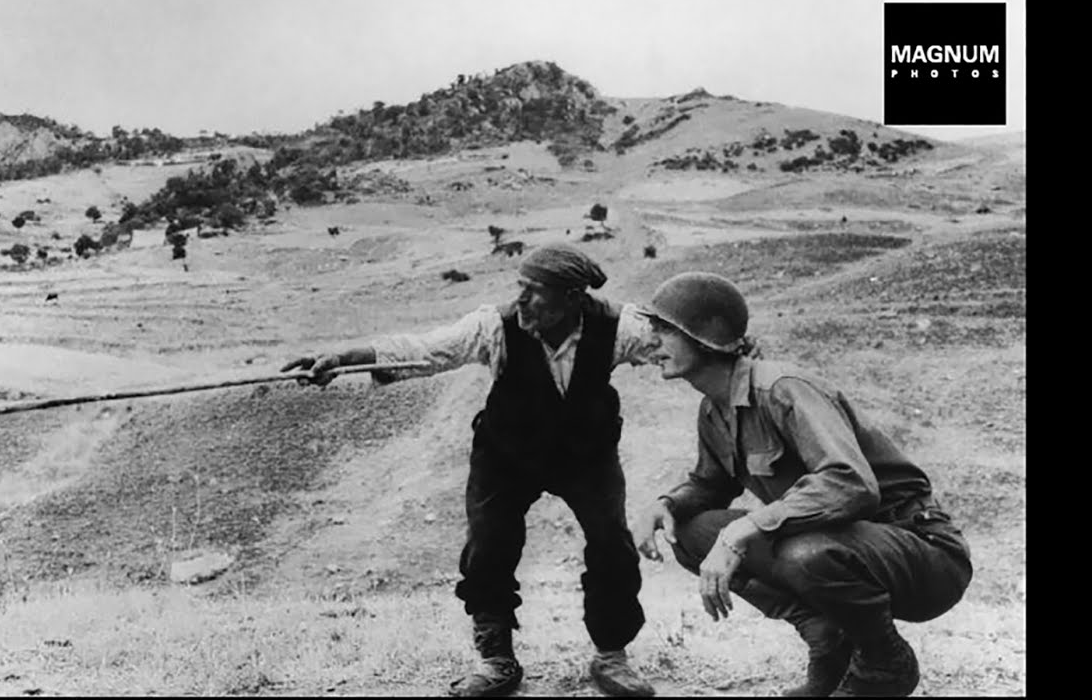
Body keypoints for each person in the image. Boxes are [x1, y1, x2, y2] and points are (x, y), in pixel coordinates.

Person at [283, 243, 659, 697]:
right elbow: (425, 350)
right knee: (488, 546)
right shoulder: (494, 327)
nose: (521, 300)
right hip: (507, 454)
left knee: (612, 544)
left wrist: (724, 350)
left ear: (573, 297)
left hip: (585, 455)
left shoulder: (619, 326)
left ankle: (611, 656)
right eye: (520, 288)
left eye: (535, 291)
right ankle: (497, 659)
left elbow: (679, 342)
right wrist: (344, 359)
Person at [631, 272, 972, 697]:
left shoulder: (782, 390)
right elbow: (709, 486)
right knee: (690, 530)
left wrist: (746, 528)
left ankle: (885, 665)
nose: (650, 341)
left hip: (923, 552)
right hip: (842, 548)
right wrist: (666, 504)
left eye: (663, 329)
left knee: (802, 552)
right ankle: (827, 638)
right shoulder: (714, 410)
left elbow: (850, 483)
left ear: (705, 338)